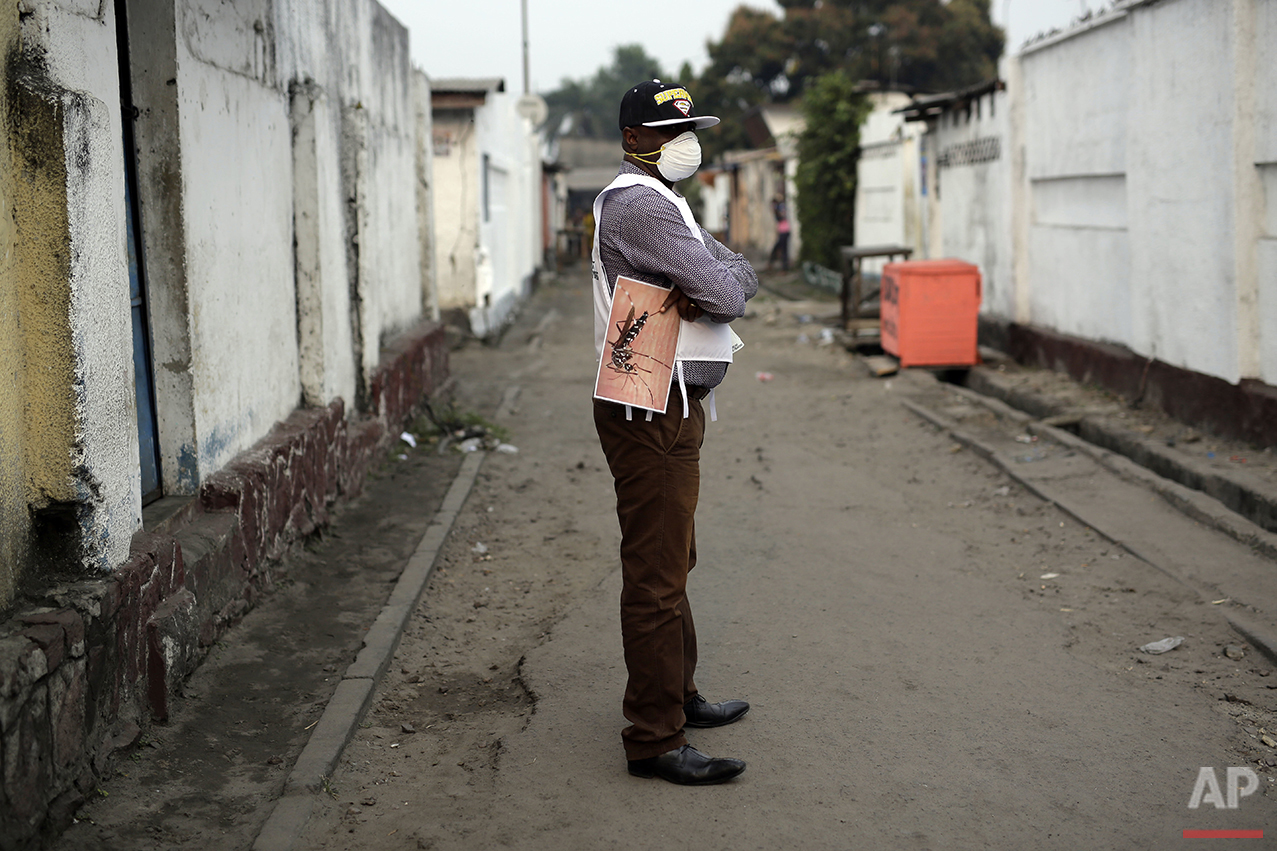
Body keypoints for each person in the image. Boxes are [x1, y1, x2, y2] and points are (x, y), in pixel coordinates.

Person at [590, 80, 759, 786]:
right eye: (668, 130)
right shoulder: (638, 207)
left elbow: (744, 274)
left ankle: (678, 695)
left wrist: (720, 280)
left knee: (674, 558)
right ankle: (653, 735)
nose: (684, 140)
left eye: (689, 127)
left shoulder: (667, 204)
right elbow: (725, 294)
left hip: (672, 403)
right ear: (633, 139)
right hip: (649, 408)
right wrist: (716, 282)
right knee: (656, 574)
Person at [768, 193, 790, 272]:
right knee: (782, 249)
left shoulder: (780, 207)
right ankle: (782, 267)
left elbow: (781, 217)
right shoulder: (780, 207)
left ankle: (783, 267)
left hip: (784, 230)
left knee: (780, 249)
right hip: (783, 230)